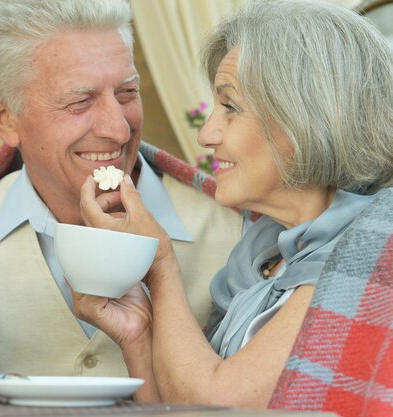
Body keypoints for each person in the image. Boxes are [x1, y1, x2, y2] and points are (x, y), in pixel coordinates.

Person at [0, 0, 245, 381]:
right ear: (5, 117)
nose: (118, 129)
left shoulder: (243, 237)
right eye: (80, 101)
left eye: (127, 93)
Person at [71, 0, 393, 407]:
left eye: (230, 107)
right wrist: (139, 334)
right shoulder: (262, 254)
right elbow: (177, 409)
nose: (206, 135)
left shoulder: (376, 250)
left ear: (306, 118)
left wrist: (159, 263)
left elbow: (216, 406)